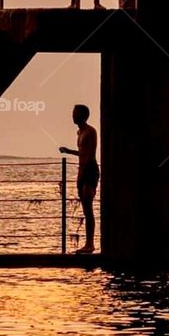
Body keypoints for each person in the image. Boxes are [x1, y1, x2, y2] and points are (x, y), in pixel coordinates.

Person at [59, 104, 99, 254]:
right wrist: (69, 151)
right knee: (85, 208)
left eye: (75, 113)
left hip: (89, 170)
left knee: (88, 209)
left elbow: (88, 156)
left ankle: (90, 244)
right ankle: (88, 243)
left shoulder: (90, 131)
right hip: (82, 171)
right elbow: (82, 153)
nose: (72, 116)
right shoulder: (79, 132)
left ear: (82, 115)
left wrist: (83, 175)